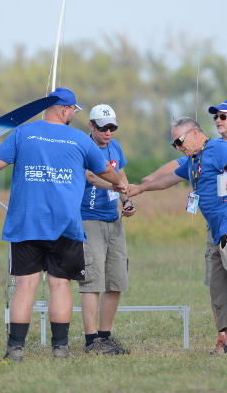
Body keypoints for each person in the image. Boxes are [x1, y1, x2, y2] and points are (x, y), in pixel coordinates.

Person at [0, 88, 128, 361]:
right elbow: (106, 171)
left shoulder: (23, 133)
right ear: (64, 109)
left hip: (26, 222)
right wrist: (120, 183)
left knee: (25, 285)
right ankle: (60, 348)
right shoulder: (79, 140)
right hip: (66, 224)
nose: (74, 114)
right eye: (74, 109)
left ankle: (16, 348)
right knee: (60, 285)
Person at [142, 100, 227, 354]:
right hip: (216, 224)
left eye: (224, 116)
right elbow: (171, 172)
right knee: (219, 283)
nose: (218, 120)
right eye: (216, 116)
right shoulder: (198, 156)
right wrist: (142, 185)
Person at [79, 104, 136, 355]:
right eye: (104, 128)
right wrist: (115, 188)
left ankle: (105, 336)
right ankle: (91, 341)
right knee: (92, 281)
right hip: (88, 220)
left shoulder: (115, 147)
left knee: (116, 280)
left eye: (112, 127)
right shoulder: (83, 145)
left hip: (114, 222)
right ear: (91, 126)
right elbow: (91, 176)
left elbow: (120, 175)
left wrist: (128, 201)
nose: (109, 132)